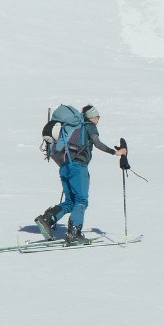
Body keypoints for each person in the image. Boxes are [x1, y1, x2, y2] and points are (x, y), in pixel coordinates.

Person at [36, 104, 125, 245]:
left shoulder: (71, 126)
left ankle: (47, 219)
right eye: (98, 117)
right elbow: (97, 143)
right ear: (93, 116)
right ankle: (74, 232)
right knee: (81, 200)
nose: (98, 120)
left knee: (70, 201)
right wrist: (115, 152)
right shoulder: (89, 126)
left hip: (64, 166)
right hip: (78, 167)